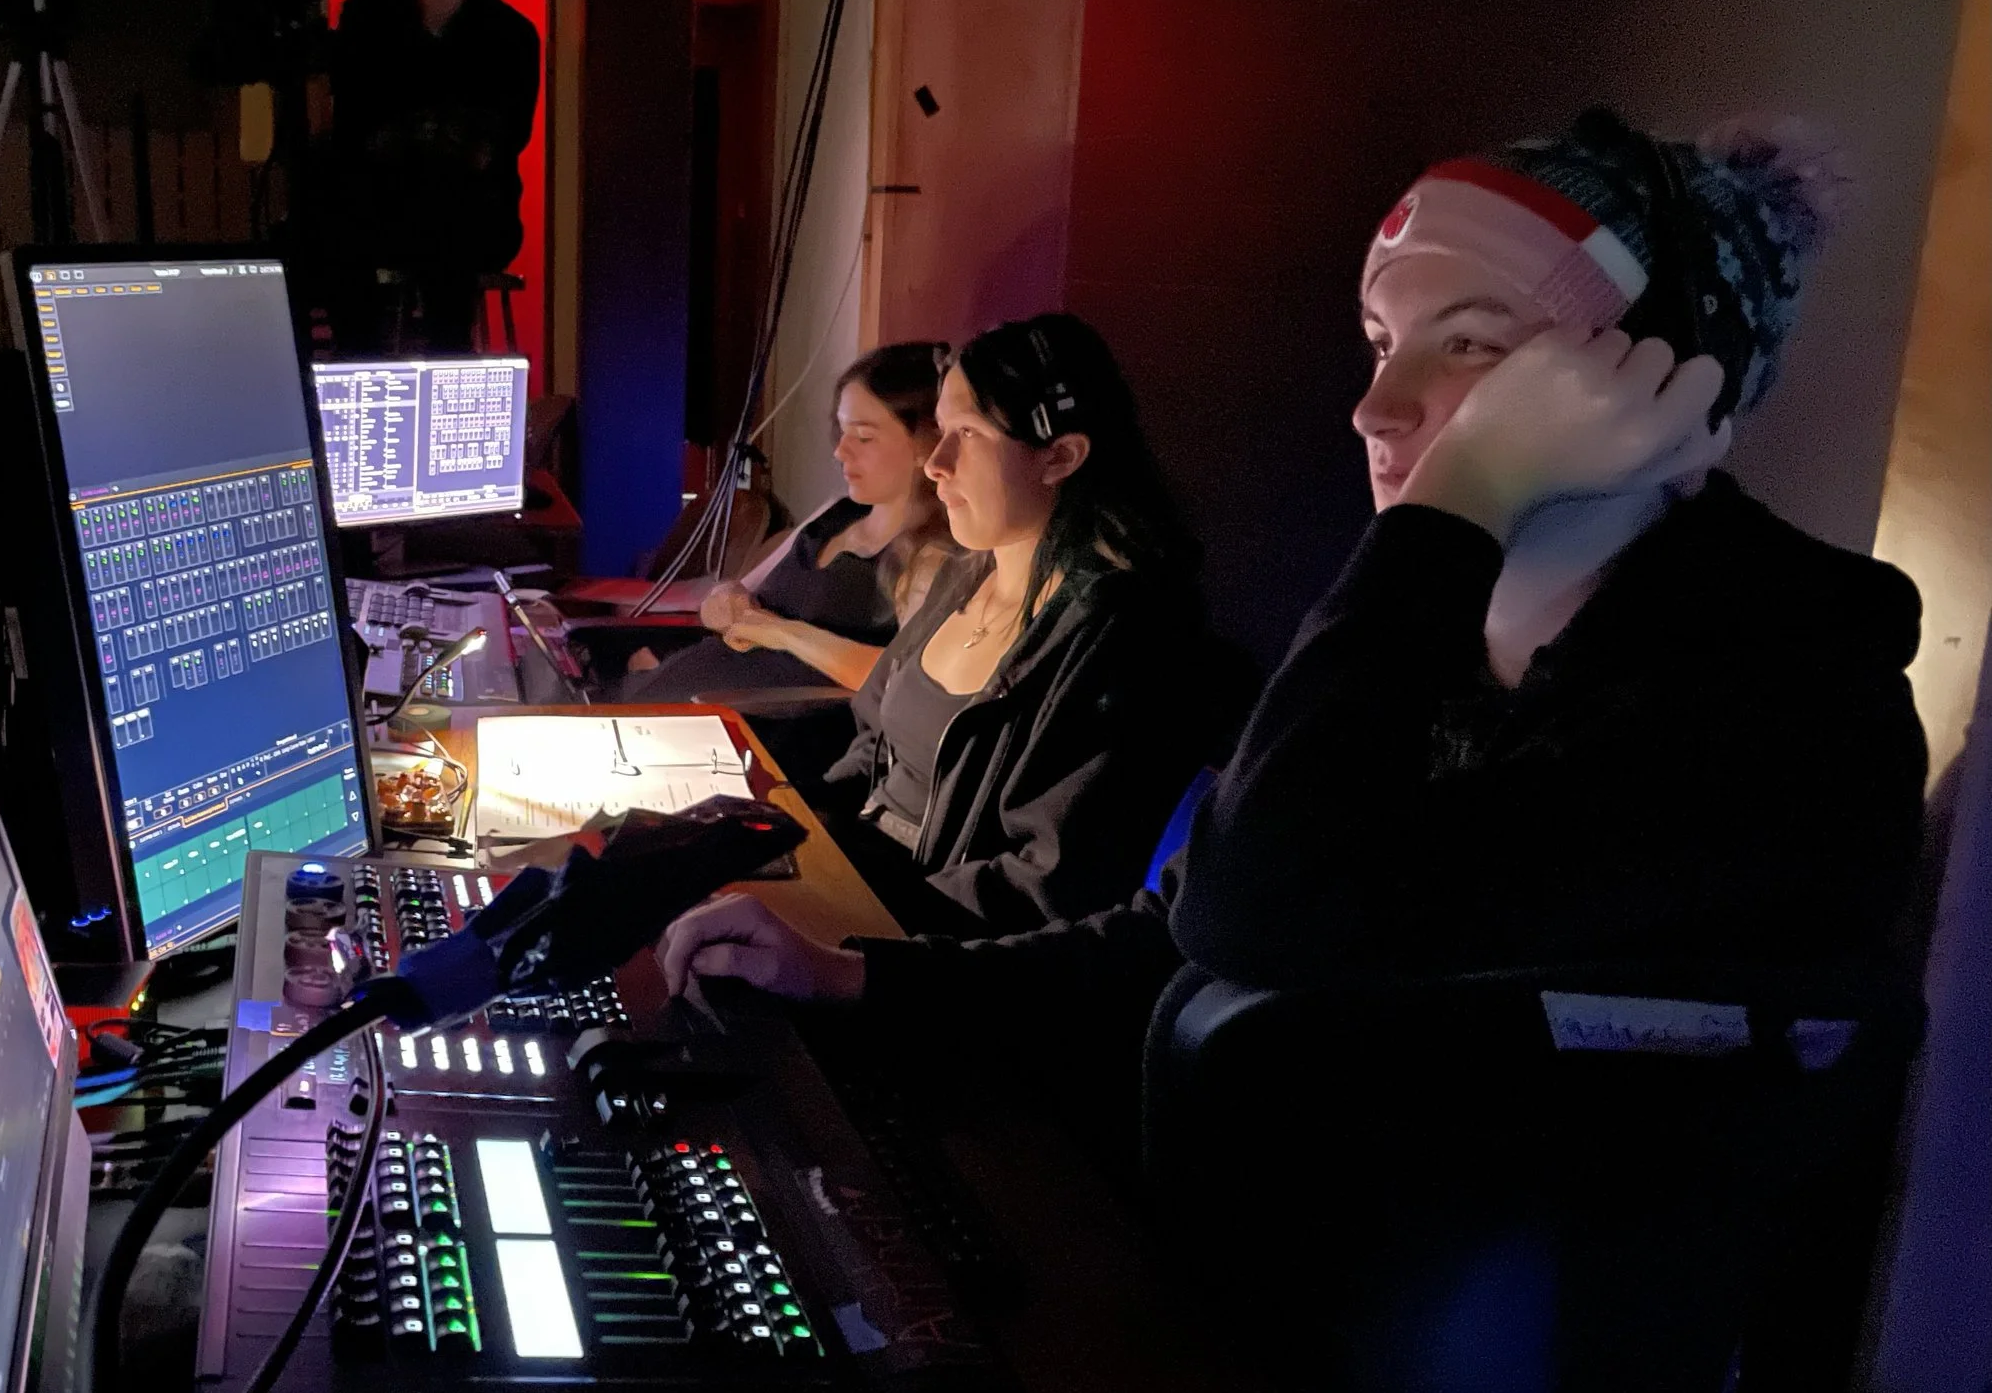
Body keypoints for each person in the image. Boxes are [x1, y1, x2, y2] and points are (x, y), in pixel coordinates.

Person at [656, 109, 1925, 1056]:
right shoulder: (1435, 632)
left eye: (1473, 345)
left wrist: (1455, 500)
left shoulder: (1775, 702)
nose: (1378, 406)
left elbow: (1267, 912)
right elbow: (1176, 926)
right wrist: (856, 981)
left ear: (1670, 382)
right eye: (1383, 344)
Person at [805, 314, 1241, 939]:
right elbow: (874, 742)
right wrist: (795, 828)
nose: (937, 462)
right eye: (942, 430)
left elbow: (1045, 883)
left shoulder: (1120, 637)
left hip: (928, 939)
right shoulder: (967, 573)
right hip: (860, 875)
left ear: (1060, 457)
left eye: (968, 434)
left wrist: (855, 934)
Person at [619, 342, 957, 701]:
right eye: (841, 432)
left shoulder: (928, 557)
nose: (840, 451)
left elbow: (902, 681)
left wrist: (778, 631)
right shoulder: (835, 514)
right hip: (674, 690)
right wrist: (725, 599)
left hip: (757, 730)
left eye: (863, 437)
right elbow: (733, 592)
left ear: (928, 442)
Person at [318, 0, 539, 356]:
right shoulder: (365, 18)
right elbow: (352, 135)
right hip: (381, 210)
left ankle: (414, 356)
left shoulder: (509, 32)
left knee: (447, 204)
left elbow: (501, 144)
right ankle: (369, 360)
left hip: (468, 214)